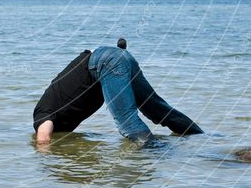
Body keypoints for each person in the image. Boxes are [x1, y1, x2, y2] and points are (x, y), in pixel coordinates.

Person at [33, 38, 203, 144]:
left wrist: (45, 158)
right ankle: (201, 138)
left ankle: (158, 154)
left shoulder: (41, 113)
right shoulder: (58, 106)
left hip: (105, 62)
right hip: (118, 57)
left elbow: (43, 134)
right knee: (157, 109)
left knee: (127, 122)